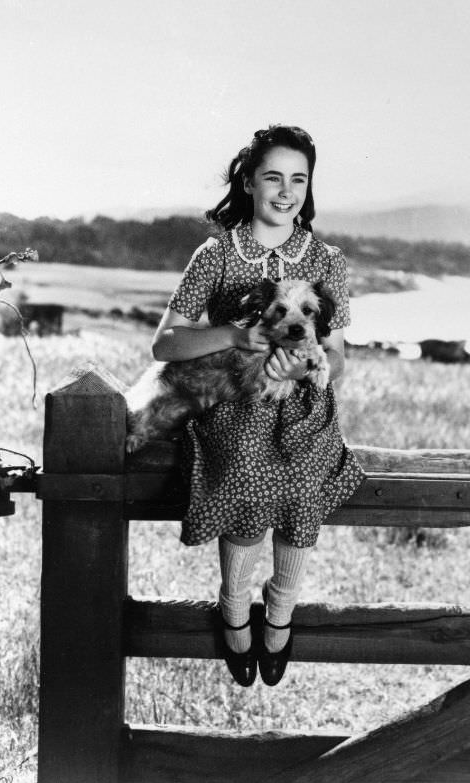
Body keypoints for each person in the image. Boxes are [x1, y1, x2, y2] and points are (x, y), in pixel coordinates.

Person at [152, 125, 365, 686]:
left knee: (300, 498)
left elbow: (338, 357)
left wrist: (307, 365)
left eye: (299, 179)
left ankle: (281, 612)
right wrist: (230, 335)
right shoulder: (217, 254)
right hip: (235, 405)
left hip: (304, 411)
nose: (286, 191)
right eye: (273, 177)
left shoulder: (326, 260)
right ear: (248, 182)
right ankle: (233, 606)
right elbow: (165, 344)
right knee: (247, 478)